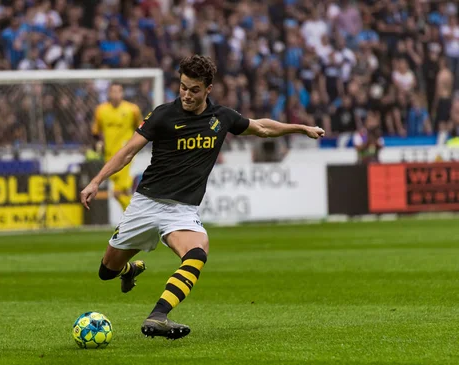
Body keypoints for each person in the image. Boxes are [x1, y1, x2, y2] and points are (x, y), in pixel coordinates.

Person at [80, 55, 325, 340]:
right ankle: (128, 270)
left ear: (208, 88)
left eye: (194, 89)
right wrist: (96, 181)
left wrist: (302, 128)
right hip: (146, 203)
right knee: (106, 271)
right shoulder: (162, 115)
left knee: (198, 251)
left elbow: (262, 128)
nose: (186, 94)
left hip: (182, 211)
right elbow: (127, 152)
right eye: (183, 87)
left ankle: (159, 315)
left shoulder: (222, 118)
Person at [91, 82, 142, 210]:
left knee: (117, 192)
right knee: (121, 193)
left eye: (118, 91)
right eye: (113, 91)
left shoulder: (132, 109)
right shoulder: (101, 110)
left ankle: (135, 216)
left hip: (126, 153)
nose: (115, 94)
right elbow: (96, 132)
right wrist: (99, 144)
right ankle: (136, 215)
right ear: (108, 93)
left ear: (122, 93)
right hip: (109, 154)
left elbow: (142, 128)